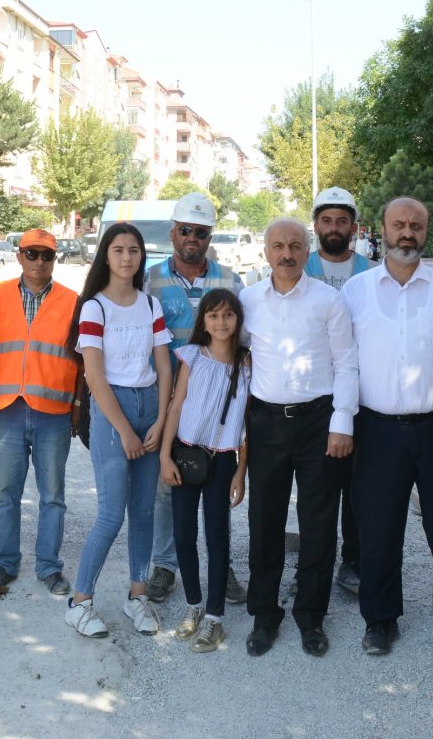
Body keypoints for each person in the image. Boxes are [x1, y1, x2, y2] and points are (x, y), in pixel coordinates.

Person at [343, 196, 433, 657]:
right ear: (382, 229)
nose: (407, 233)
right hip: (376, 430)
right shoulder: (355, 292)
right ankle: (379, 620)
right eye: (399, 225)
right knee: (377, 530)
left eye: (416, 225)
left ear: (426, 231)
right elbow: (343, 363)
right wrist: (343, 422)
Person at [240, 217, 360, 657]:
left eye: (294, 245)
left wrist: (342, 422)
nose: (286, 254)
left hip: (318, 423)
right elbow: (238, 354)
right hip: (267, 423)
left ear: (307, 252)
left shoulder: (329, 300)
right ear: (266, 252)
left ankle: (311, 616)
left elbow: (347, 362)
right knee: (264, 521)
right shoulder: (248, 300)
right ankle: (264, 615)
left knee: (318, 524)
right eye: (278, 246)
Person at [65, 222, 174, 638]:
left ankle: (137, 596)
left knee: (143, 513)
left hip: (150, 407)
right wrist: (125, 431)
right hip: (114, 411)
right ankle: (80, 603)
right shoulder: (95, 307)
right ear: (105, 256)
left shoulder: (150, 305)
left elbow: (163, 366)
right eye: (118, 250)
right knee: (111, 514)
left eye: (133, 250)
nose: (127, 257)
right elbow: (94, 376)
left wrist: (161, 420)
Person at [146, 192, 246, 606]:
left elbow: (242, 338)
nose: (192, 238)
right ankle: (165, 564)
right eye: (185, 229)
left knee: (216, 494)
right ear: (173, 232)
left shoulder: (231, 281)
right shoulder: (149, 279)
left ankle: (223, 568)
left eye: (201, 232)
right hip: (168, 397)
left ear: (210, 237)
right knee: (168, 486)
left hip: (214, 401)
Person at [158, 288, 252, 653]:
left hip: (224, 457)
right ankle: (193, 604)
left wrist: (241, 471)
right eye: (213, 315)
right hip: (186, 454)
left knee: (217, 536)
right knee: (183, 533)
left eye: (228, 314)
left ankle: (214, 617)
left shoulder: (247, 363)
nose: (221, 322)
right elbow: (176, 406)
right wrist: (165, 456)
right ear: (204, 322)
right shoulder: (193, 355)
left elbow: (248, 424)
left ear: (238, 319)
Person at [0, 228, 77, 595]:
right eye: (32, 253)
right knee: (5, 492)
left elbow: (84, 358)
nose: (39, 261)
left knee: (52, 496)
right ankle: (4, 563)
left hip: (53, 413)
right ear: (19, 256)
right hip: (7, 409)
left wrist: (78, 407)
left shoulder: (73, 301)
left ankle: (49, 567)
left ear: (55, 259)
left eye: (47, 255)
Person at [305, 185, 370, 597]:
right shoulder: (300, 266)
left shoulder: (372, 271)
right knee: (318, 487)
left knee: (358, 486)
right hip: (313, 395)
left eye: (342, 221)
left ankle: (353, 560)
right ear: (316, 225)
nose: (334, 227)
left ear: (353, 227)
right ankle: (315, 563)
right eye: (326, 220)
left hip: (363, 393)